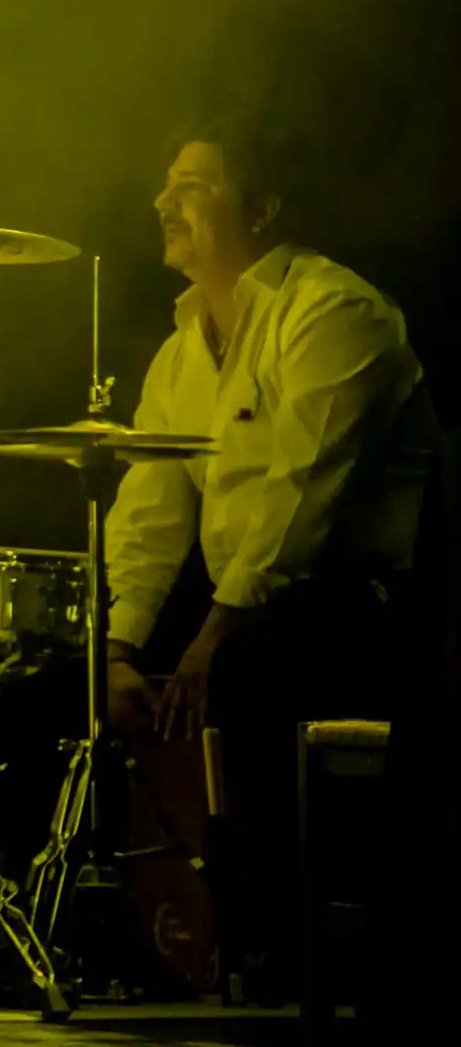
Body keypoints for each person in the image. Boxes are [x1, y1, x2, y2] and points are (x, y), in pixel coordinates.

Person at [103, 120, 436, 998]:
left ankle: (282, 957)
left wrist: (214, 636)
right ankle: (146, 943)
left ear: (263, 208)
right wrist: (118, 648)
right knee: (77, 685)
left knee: (249, 663)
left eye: (193, 185)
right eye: (166, 184)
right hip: (251, 604)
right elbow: (150, 511)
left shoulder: (336, 312)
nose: (163, 202)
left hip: (365, 607)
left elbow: (305, 496)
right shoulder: (181, 351)